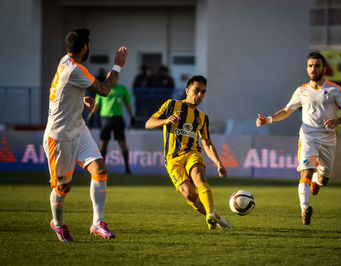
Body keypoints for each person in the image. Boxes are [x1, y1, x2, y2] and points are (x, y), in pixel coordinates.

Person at [43, 27, 128, 242]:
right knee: (63, 187)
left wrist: (80, 99)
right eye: (89, 44)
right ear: (84, 47)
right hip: (59, 136)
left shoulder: (66, 62)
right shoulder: (75, 69)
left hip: (77, 128)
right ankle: (58, 224)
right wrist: (118, 64)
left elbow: (61, 91)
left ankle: (97, 222)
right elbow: (105, 89)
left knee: (99, 169)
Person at [256, 52, 341, 225]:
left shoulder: (335, 90)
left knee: (323, 179)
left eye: (317, 65)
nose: (313, 69)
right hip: (308, 136)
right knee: (306, 171)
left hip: (328, 140)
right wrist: (269, 119)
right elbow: (287, 111)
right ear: (307, 68)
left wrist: (337, 120)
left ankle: (317, 180)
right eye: (310, 66)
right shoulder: (301, 91)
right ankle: (305, 208)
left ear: (324, 68)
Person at [145, 75, 232, 230]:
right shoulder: (171, 105)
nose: (199, 95)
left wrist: (218, 163)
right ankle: (214, 215)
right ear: (187, 91)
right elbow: (148, 123)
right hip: (172, 159)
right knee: (189, 194)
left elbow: (207, 143)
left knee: (199, 176)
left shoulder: (203, 118)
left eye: (203, 92)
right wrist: (165, 121)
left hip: (192, 153)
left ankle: (210, 216)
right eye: (196, 90)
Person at [88, 79, 135, 174]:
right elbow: (96, 105)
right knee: (103, 144)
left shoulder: (122, 89)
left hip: (118, 119)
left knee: (122, 144)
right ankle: (101, 168)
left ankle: (127, 168)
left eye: (115, 77)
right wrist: (91, 116)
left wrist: (131, 116)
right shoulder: (102, 89)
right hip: (105, 119)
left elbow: (128, 104)